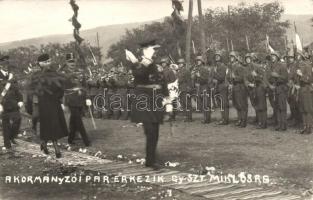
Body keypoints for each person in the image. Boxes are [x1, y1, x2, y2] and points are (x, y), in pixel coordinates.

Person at [125, 40, 167, 169]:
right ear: (145, 50)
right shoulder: (138, 64)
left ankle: (150, 160)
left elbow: (162, 81)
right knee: (150, 131)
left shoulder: (156, 65)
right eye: (152, 49)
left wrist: (167, 98)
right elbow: (139, 74)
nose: (154, 52)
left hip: (156, 101)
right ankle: (151, 160)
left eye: (154, 50)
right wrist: (144, 61)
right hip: (143, 101)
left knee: (155, 132)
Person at [28, 53, 68, 158]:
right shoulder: (36, 75)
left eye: (48, 61)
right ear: (40, 64)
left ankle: (44, 144)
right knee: (47, 125)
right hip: (43, 103)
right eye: (45, 62)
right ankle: (56, 148)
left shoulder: (55, 73)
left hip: (54, 103)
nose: (47, 64)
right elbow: (32, 90)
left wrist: (57, 96)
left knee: (55, 125)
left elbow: (61, 88)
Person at [63, 53, 91, 146]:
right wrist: (62, 102)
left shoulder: (80, 72)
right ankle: (86, 140)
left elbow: (85, 85)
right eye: (70, 62)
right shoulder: (63, 74)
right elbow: (61, 88)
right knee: (78, 120)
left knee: (74, 119)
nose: (72, 63)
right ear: (66, 62)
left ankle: (70, 138)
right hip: (71, 99)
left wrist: (87, 97)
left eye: (73, 61)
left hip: (80, 98)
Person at [0, 55, 23, 151]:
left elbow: (17, 90)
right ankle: (7, 144)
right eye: (3, 63)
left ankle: (12, 136)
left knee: (18, 120)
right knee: (5, 125)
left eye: (7, 63)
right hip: (3, 104)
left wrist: (20, 100)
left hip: (14, 103)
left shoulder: (11, 75)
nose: (6, 64)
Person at [229, 51, 248, 127]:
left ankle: (243, 121)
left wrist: (234, 77)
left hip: (240, 87)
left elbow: (242, 78)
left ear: (236, 58)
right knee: (237, 104)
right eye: (230, 57)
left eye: (232, 57)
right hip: (235, 87)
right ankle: (240, 119)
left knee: (242, 105)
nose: (231, 58)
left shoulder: (239, 66)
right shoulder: (231, 66)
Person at [271, 52, 288, 131]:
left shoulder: (282, 66)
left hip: (281, 89)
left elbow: (285, 78)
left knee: (282, 108)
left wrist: (277, 76)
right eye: (272, 56)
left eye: (274, 56)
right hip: (276, 89)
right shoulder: (273, 66)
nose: (272, 57)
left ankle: (283, 125)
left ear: (277, 57)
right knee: (277, 108)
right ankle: (279, 124)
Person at [296, 52, 313, 134]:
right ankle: (304, 126)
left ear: (304, 58)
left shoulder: (308, 65)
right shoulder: (301, 66)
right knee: (302, 109)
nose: (298, 57)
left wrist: (301, 74)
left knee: (307, 109)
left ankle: (309, 128)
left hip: (307, 90)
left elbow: (309, 79)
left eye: (299, 56)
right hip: (302, 90)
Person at [191, 56, 211, 123]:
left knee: (206, 104)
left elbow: (206, 80)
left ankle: (207, 119)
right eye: (197, 61)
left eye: (199, 60)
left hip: (204, 87)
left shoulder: (205, 69)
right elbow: (194, 79)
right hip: (199, 88)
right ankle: (205, 118)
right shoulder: (196, 69)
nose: (198, 62)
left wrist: (199, 76)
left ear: (202, 61)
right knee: (202, 104)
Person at [213, 51, 229, 125]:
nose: (216, 57)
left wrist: (215, 73)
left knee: (224, 103)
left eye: (218, 56)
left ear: (221, 58)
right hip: (217, 87)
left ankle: (225, 119)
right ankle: (223, 118)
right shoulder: (216, 66)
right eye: (216, 56)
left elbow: (222, 77)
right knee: (220, 104)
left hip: (222, 87)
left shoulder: (223, 66)